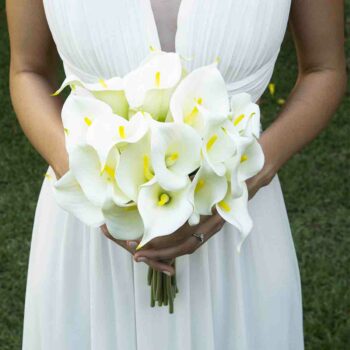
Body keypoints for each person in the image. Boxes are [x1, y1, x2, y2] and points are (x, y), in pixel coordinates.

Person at [6, 0, 346, 349]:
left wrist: (243, 181)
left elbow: (324, 69)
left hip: (236, 232)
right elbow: (27, 70)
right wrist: (95, 186)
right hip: (87, 242)